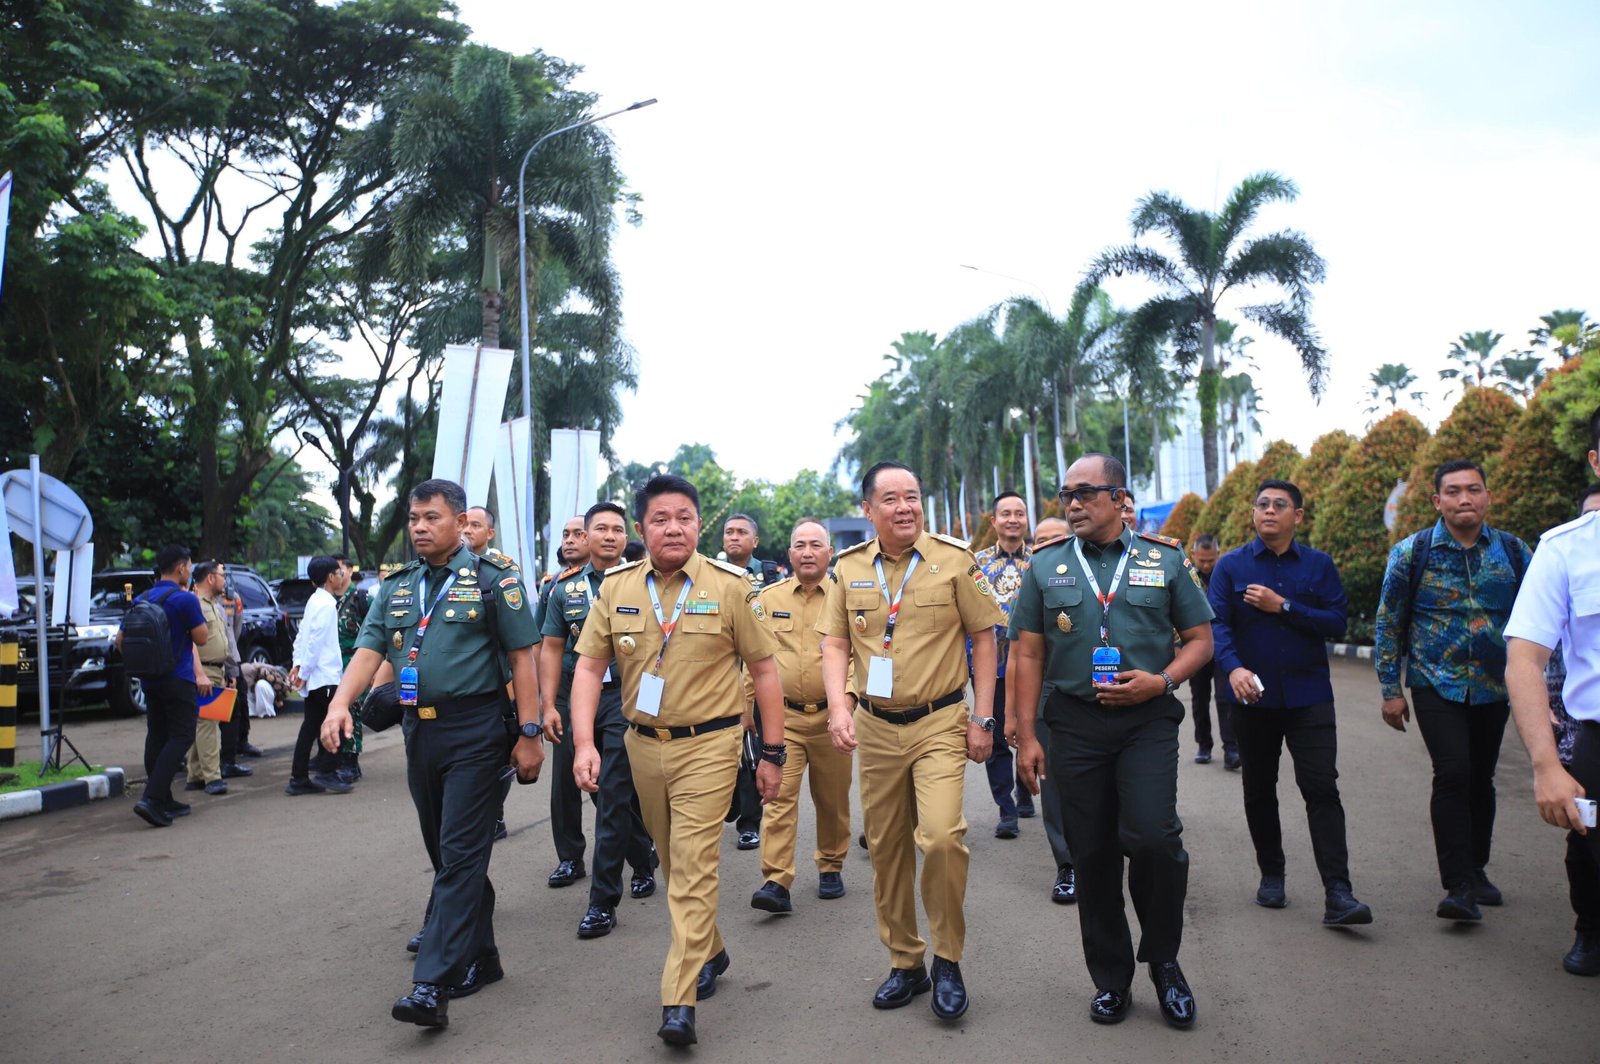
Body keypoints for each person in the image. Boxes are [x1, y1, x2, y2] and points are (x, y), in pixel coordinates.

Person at [570, 474, 786, 1047]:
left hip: (711, 747)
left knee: (692, 867)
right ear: (643, 529)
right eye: (662, 518)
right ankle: (711, 949)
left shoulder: (732, 586)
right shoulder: (615, 589)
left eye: (685, 518)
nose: (674, 528)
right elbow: (589, 668)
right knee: (671, 862)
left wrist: (772, 751)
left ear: (698, 524)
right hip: (641, 745)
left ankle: (678, 998)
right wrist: (586, 743)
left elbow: (764, 670)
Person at [321, 478, 544, 1029]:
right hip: (418, 733)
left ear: (460, 523)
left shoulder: (495, 581)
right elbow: (369, 648)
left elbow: (524, 657)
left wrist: (531, 732)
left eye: (432, 518)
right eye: (414, 518)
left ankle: (430, 984)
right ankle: (484, 958)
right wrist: (339, 705)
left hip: (477, 731)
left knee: (461, 851)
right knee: (451, 856)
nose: (420, 527)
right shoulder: (397, 586)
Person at [1011, 454, 1213, 1029]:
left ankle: (1164, 960)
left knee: (1153, 836)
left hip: (1146, 719)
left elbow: (1200, 639)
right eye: (1065, 494)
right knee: (1092, 852)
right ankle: (1111, 979)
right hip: (1075, 723)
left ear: (1118, 497)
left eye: (1085, 492)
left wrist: (1164, 679)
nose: (1072, 503)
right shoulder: (1046, 566)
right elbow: (1027, 653)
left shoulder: (1164, 559)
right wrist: (1027, 736)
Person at [821, 461, 1004, 1022]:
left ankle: (948, 959)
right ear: (868, 510)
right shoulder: (847, 569)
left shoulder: (954, 560)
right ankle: (906, 961)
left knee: (944, 836)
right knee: (887, 847)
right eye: (892, 499)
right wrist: (838, 707)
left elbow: (985, 638)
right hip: (875, 727)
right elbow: (833, 644)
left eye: (913, 497)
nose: (905, 507)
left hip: (940, 722)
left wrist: (985, 718)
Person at [1208, 479, 1372, 925]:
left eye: (1281, 505)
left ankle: (1339, 892)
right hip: (1251, 697)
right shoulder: (1230, 567)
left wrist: (1284, 607)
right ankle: (1272, 874)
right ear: (1253, 513)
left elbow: (1337, 622)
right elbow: (1216, 625)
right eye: (1262, 504)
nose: (1270, 511)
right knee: (1259, 789)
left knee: (1321, 787)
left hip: (1308, 697)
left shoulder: (1318, 566)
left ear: (1298, 516)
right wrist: (1234, 668)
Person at [1375, 459, 1533, 921]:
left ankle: (1477, 869)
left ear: (1487, 496)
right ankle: (1458, 886)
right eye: (1454, 491)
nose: (1465, 499)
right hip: (1434, 683)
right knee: (1454, 771)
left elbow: (1538, 619)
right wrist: (1391, 688)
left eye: (1473, 490)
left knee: (1481, 778)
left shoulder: (1513, 551)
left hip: (1494, 687)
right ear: (1437, 500)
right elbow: (1389, 621)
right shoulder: (1412, 552)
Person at [1504, 408, 1600, 976]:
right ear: (1595, 461)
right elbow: (1524, 660)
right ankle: (1590, 928)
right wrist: (1546, 764)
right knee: (1588, 850)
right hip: (1595, 743)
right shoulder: (1564, 550)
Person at [539, 501, 658, 939]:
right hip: (578, 697)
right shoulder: (563, 590)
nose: (609, 536)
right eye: (600, 529)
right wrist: (547, 704)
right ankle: (643, 855)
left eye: (617, 529)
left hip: (628, 698)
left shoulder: (647, 582)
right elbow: (550, 648)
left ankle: (602, 901)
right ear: (584, 537)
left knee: (611, 793)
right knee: (592, 790)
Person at [748, 518, 853, 914]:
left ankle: (830, 865)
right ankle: (776, 880)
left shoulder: (846, 597)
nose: (807, 552)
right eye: (799, 545)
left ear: (830, 553)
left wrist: (847, 705)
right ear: (789, 553)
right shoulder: (768, 599)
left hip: (833, 719)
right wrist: (747, 710)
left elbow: (857, 656)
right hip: (784, 720)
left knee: (832, 799)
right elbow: (752, 660)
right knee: (777, 796)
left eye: (815, 545)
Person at [1002, 516, 1077, 904]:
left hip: (1098, 696)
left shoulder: (1091, 580)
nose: (1045, 546)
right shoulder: (1030, 589)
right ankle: (1068, 865)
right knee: (1054, 787)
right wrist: (1014, 716)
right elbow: (1016, 657)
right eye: (1040, 541)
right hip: (1048, 699)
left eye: (1055, 539)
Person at [119, 545, 211, 828]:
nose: (191, 570)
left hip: (150, 679)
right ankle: (152, 798)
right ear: (181, 567)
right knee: (182, 736)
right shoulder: (185, 600)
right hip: (179, 677)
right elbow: (202, 638)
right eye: (190, 566)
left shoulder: (143, 598)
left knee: (157, 736)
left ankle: (165, 798)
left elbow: (120, 641)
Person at [536, 514, 598, 886]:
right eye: (566, 534)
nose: (571, 540)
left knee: (622, 775)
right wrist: (545, 703)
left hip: (615, 689)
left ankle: (637, 849)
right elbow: (545, 647)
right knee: (564, 779)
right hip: (567, 687)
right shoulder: (555, 587)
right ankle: (570, 857)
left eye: (579, 533)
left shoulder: (625, 581)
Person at [973, 491, 1032, 837]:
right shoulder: (976, 563)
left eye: (1019, 513)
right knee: (995, 736)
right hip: (990, 666)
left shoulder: (1042, 561)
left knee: (1030, 728)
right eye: (1005, 513)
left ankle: (1027, 789)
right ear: (993, 521)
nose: (1013, 519)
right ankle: (1005, 808)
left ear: (1027, 520)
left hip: (1033, 663)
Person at [724, 512, 781, 850]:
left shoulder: (770, 575)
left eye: (742, 532)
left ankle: (750, 822)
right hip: (721, 674)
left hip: (759, 672)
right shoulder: (709, 575)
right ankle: (730, 802)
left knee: (752, 748)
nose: (734, 537)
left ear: (754, 541)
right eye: (729, 532)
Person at [287, 556, 354, 795]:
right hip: (323, 676)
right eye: (339, 572)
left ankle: (300, 777)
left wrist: (298, 665)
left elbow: (302, 635)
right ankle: (325, 771)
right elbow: (312, 641)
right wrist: (302, 670)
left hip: (318, 675)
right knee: (329, 724)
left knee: (311, 725)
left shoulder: (316, 601)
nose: (342, 576)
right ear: (330, 577)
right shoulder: (325, 604)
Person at [184, 560, 235, 797]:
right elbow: (189, 643)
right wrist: (199, 673)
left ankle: (195, 774)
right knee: (208, 725)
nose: (225, 579)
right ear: (211, 578)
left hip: (216, 670)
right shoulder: (194, 603)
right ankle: (212, 777)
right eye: (222, 575)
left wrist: (229, 670)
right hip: (203, 671)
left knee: (202, 723)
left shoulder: (213, 604)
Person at [1186, 535, 1232, 767]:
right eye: (1202, 560)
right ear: (1193, 555)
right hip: (1195, 648)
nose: (1206, 565)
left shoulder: (1225, 576)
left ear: (1218, 554)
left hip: (1222, 646)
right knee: (1199, 698)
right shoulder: (1185, 576)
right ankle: (1204, 745)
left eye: (1210, 560)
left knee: (1225, 697)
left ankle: (1231, 749)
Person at [332, 553, 369, 784]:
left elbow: (376, 632)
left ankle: (351, 760)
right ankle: (334, 756)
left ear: (349, 569)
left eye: (339, 568)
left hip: (352, 661)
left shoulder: (360, 599)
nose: (336, 573)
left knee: (352, 709)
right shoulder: (326, 599)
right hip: (331, 664)